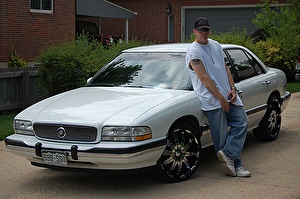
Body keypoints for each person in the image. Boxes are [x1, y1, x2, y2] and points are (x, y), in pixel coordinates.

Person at [185, 17, 251, 177]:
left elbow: (226, 69)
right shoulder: (193, 51)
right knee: (220, 136)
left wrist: (233, 88)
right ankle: (237, 165)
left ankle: (229, 155)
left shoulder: (215, 45)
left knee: (242, 122)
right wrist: (220, 99)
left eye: (206, 30)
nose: (204, 33)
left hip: (228, 95)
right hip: (212, 100)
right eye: (201, 30)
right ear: (194, 32)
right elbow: (204, 78)